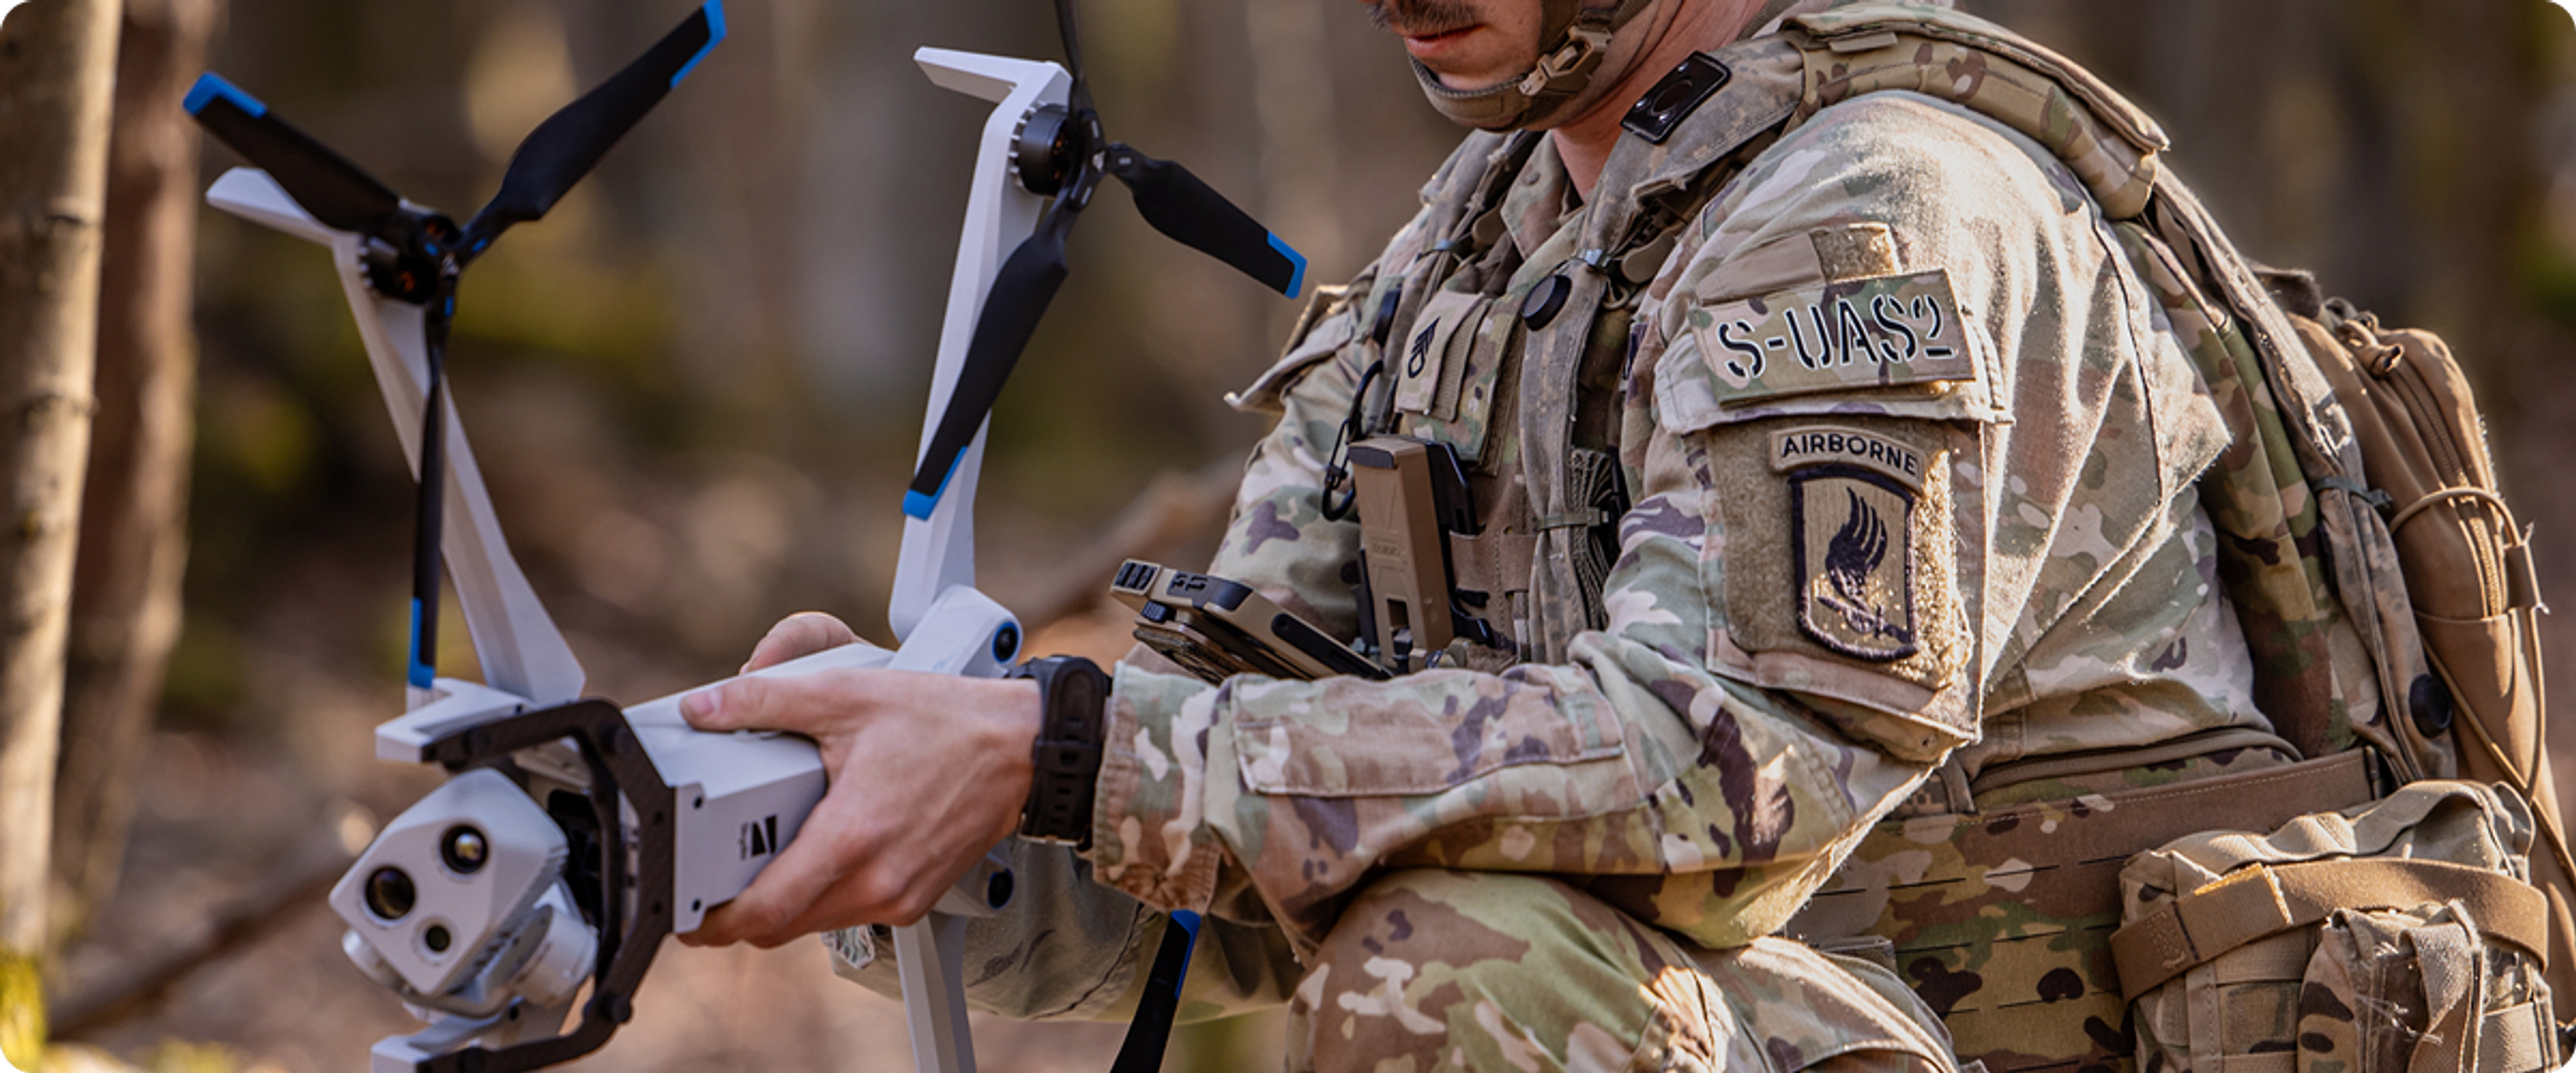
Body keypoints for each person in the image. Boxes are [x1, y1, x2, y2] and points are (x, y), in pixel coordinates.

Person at [675, 0, 2291, 1069]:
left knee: (1460, 960)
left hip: (2057, 1034)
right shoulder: (1475, 247)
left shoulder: (1869, 217)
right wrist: (837, 806)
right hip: (1780, 1023)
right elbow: (1220, 795)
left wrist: (1062, 754)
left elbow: (1723, 776)